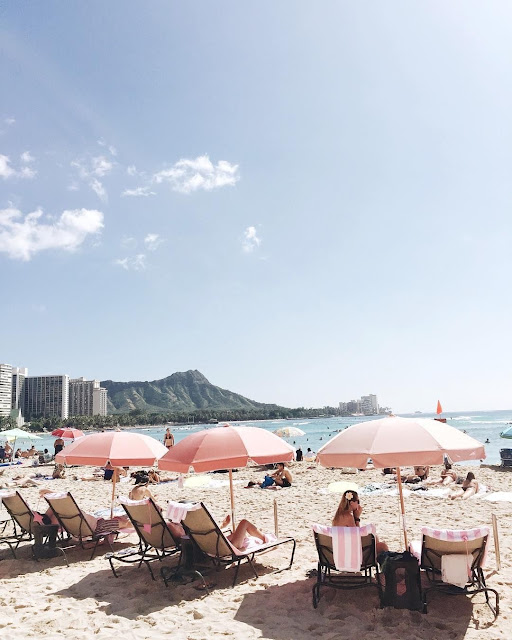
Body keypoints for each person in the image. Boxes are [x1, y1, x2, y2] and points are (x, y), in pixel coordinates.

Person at [332, 489, 388, 555]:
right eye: (358, 501)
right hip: (351, 554)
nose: (358, 504)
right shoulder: (348, 517)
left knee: (376, 538)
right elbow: (357, 535)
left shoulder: (338, 516)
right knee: (382, 546)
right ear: (351, 503)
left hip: (341, 550)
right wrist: (357, 517)